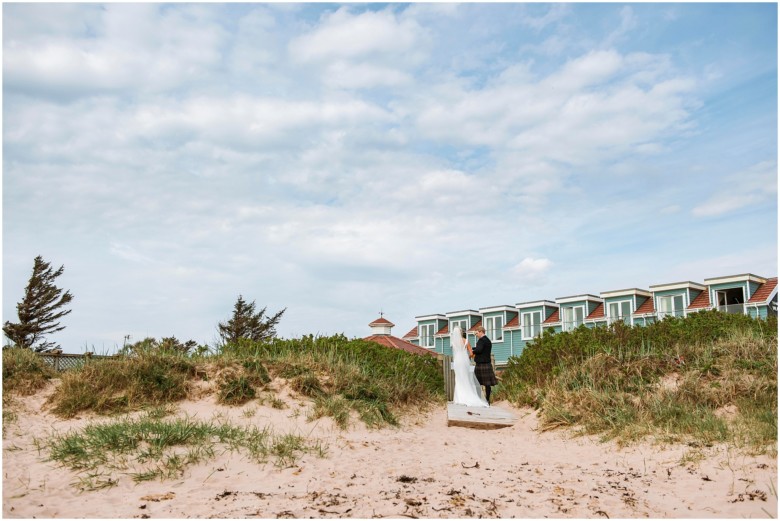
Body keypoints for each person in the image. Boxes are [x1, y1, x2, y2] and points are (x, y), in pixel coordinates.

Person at [450, 325, 488, 407]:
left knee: (458, 378)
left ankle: (458, 398)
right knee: (465, 378)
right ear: (461, 332)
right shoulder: (465, 340)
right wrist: (468, 356)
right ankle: (467, 396)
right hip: (464, 360)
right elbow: (471, 353)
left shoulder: (453, 343)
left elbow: (455, 352)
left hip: (457, 361)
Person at [473, 325, 498, 405]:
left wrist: (472, 351)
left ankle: (478, 399)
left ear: (481, 332)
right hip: (487, 364)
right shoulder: (488, 340)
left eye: (476, 333)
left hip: (481, 364)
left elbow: (479, 350)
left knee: (477, 383)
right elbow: (480, 349)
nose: (476, 335)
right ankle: (487, 400)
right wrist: (475, 349)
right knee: (487, 384)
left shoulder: (481, 340)